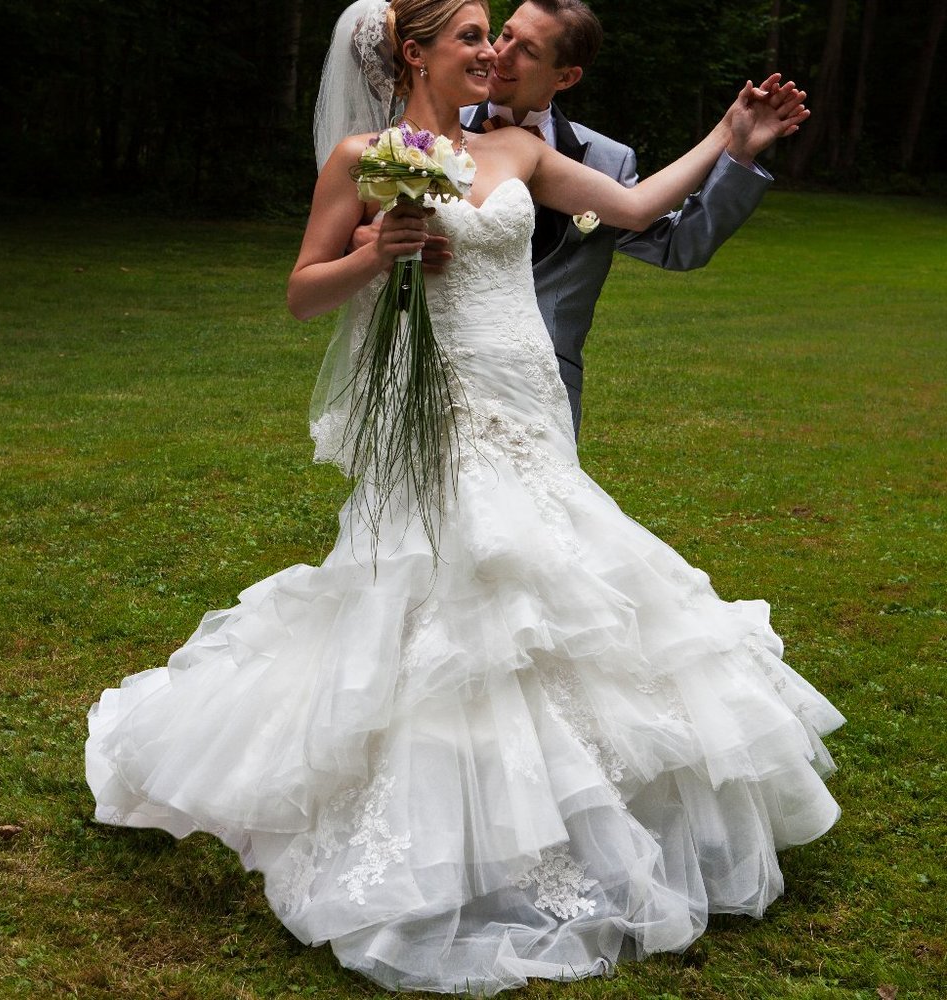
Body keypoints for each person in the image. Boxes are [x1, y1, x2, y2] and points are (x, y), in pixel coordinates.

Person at [86, 0, 844, 994]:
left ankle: (578, 814)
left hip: (528, 401)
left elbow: (631, 207)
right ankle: (463, 831)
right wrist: (378, 252)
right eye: (473, 35)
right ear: (415, 54)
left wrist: (727, 136)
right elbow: (304, 288)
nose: (493, 50)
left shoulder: (523, 151)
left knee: (562, 595)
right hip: (445, 413)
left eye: (497, 36)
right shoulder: (369, 155)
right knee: (463, 607)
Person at [460, 0, 788, 434]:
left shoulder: (607, 161)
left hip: (546, 382)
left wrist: (739, 152)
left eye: (529, 50)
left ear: (566, 76)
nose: (500, 54)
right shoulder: (434, 136)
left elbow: (678, 245)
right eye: (505, 34)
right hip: (447, 359)